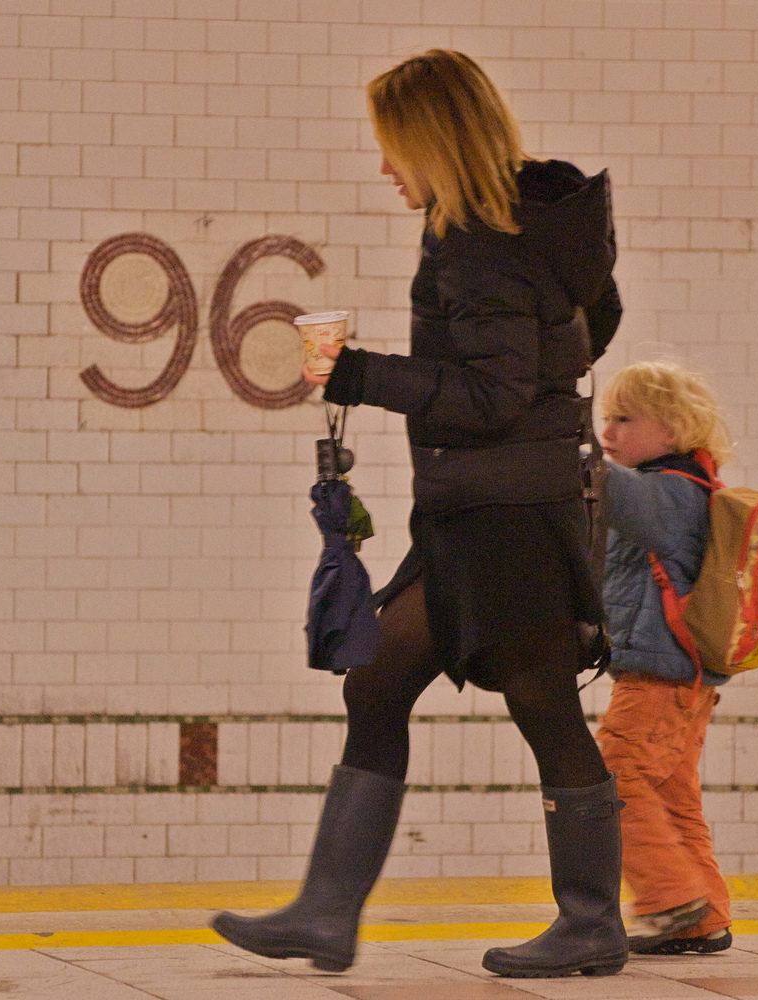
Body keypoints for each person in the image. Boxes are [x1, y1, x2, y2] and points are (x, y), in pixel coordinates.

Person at [212, 49, 626, 979]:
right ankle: (325, 914)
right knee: (380, 681)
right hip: (484, 507)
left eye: (393, 147)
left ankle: (591, 921)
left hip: (506, 514)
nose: (386, 166)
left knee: (544, 704)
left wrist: (361, 375)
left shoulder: (481, 241)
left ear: (432, 139)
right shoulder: (532, 228)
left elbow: (490, 395)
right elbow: (595, 321)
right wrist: (551, 383)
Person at [595, 359, 734, 955]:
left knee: (614, 779)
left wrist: (556, 441)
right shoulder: (687, 491)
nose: (608, 432)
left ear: (673, 432)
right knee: (675, 799)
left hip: (657, 679)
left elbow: (606, 488)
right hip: (683, 682)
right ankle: (705, 918)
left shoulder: (673, 493)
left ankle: (672, 899)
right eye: (605, 420)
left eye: (623, 420)